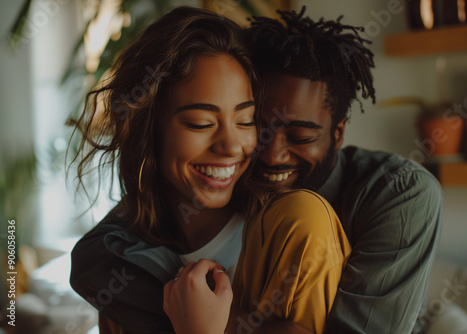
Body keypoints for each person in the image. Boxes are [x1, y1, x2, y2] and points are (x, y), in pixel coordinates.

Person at [69, 6, 350, 334]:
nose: (231, 146)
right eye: (201, 123)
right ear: (149, 129)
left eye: (245, 120)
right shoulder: (122, 267)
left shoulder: (298, 226)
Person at [243, 7, 443, 333]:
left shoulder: (399, 193)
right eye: (255, 128)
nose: (271, 155)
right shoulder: (225, 178)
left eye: (300, 137)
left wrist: (218, 320)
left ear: (338, 133)